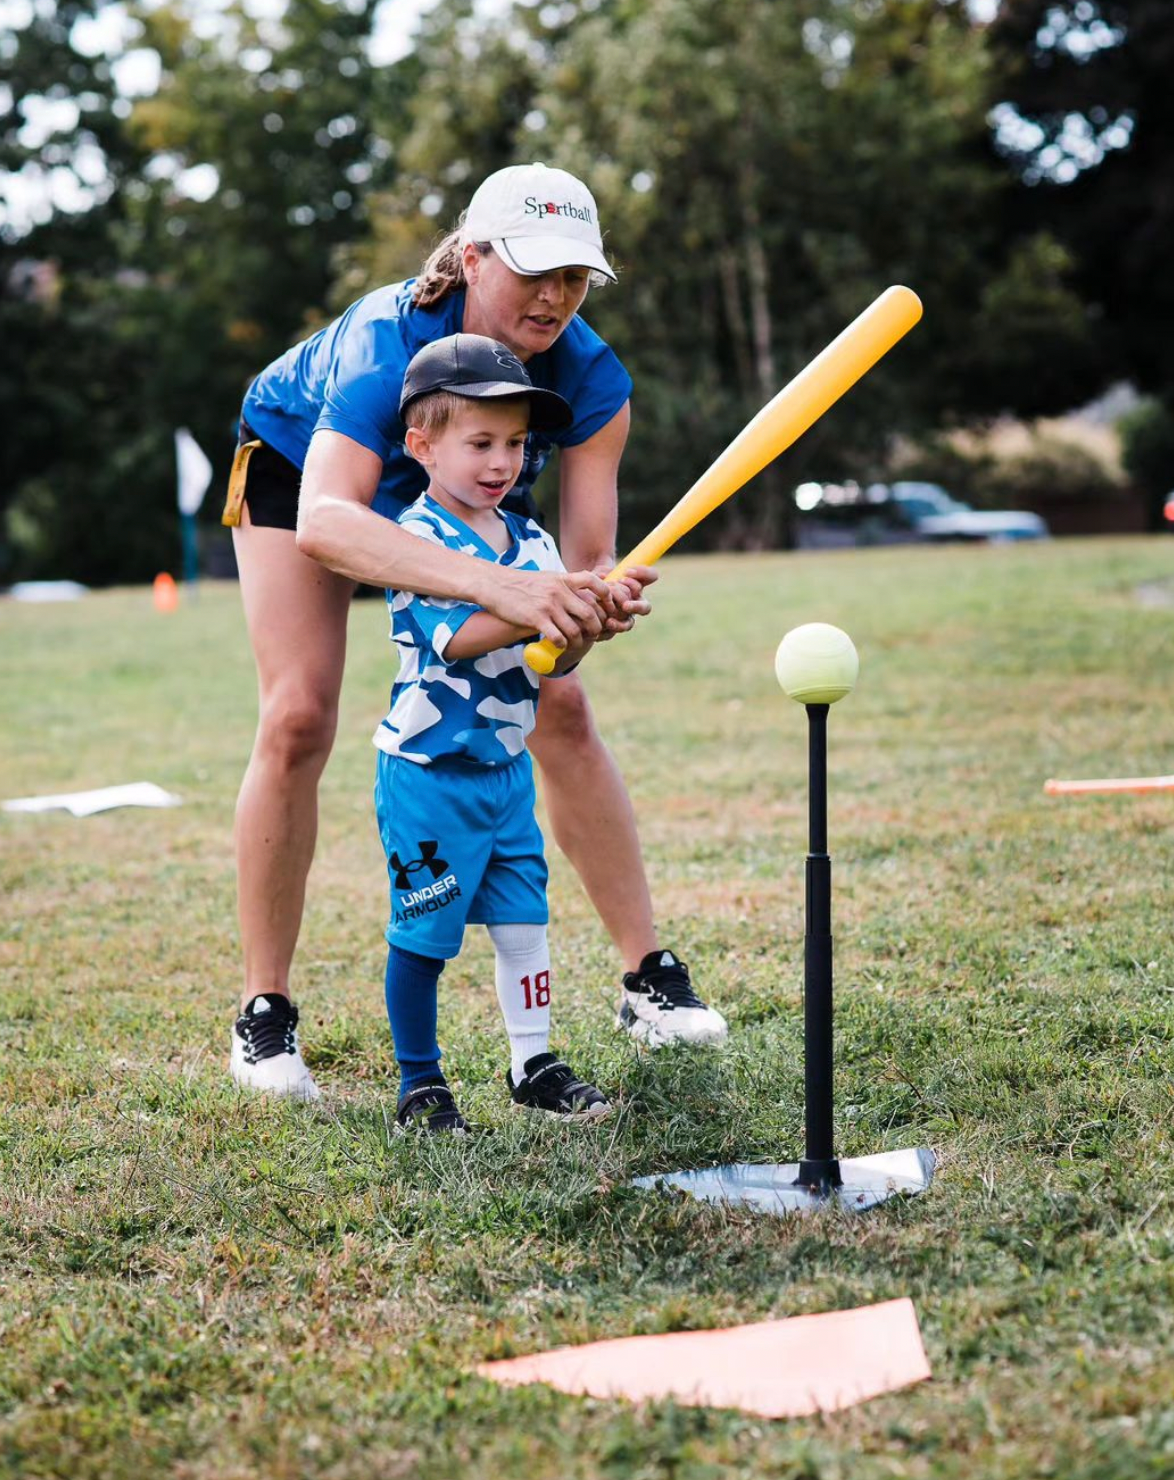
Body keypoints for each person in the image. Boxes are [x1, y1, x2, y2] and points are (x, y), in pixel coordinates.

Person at [226, 161, 727, 1102]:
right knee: (297, 716)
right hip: (306, 466)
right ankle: (264, 1011)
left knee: (562, 706)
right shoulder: (385, 340)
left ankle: (648, 979)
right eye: (535, 271)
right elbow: (330, 522)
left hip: (468, 468)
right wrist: (508, 588)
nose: (555, 297)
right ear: (472, 257)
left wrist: (587, 611)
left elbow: (582, 574)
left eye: (575, 277)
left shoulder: (590, 377)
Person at [379, 333, 616, 1132]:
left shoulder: (533, 542)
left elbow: (556, 661)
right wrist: (543, 601)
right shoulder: (415, 541)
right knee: (424, 933)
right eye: (480, 442)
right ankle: (420, 1082)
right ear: (422, 446)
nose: (501, 461)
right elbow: (457, 637)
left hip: (506, 773)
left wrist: (590, 618)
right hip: (429, 775)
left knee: (524, 921)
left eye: (515, 444)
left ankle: (532, 1063)